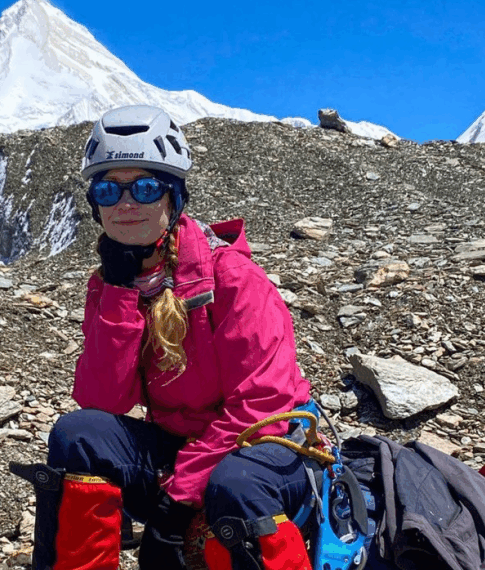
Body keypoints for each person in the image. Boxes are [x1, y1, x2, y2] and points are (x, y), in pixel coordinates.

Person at [18, 105, 315, 570]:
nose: (126, 203)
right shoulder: (111, 284)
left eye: (145, 186)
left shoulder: (232, 278)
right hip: (182, 448)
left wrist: (176, 502)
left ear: (174, 196)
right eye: (108, 188)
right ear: (94, 203)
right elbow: (104, 400)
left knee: (233, 485)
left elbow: (264, 408)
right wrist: (118, 295)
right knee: (78, 436)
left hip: (263, 451)